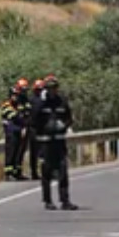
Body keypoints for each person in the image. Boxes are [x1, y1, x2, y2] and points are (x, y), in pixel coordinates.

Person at [32, 76, 78, 210]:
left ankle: (65, 200)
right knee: (46, 172)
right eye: (49, 88)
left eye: (54, 88)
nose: (52, 90)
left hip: (59, 142)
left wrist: (64, 125)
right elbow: (32, 121)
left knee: (63, 171)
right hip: (45, 143)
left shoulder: (61, 102)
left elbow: (69, 118)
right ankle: (48, 201)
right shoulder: (40, 103)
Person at [1, 85, 26, 180]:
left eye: (17, 95)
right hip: (10, 133)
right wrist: (21, 117)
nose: (15, 97)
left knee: (17, 153)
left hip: (18, 132)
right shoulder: (6, 106)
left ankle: (16, 173)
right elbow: (15, 117)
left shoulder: (18, 105)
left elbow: (23, 116)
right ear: (10, 95)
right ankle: (8, 174)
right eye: (14, 95)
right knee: (10, 153)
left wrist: (22, 119)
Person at [27, 78, 46, 180]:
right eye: (38, 89)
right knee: (34, 151)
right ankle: (34, 172)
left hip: (43, 129)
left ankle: (45, 171)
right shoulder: (31, 100)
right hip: (33, 129)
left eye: (41, 89)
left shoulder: (45, 100)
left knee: (44, 151)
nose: (39, 91)